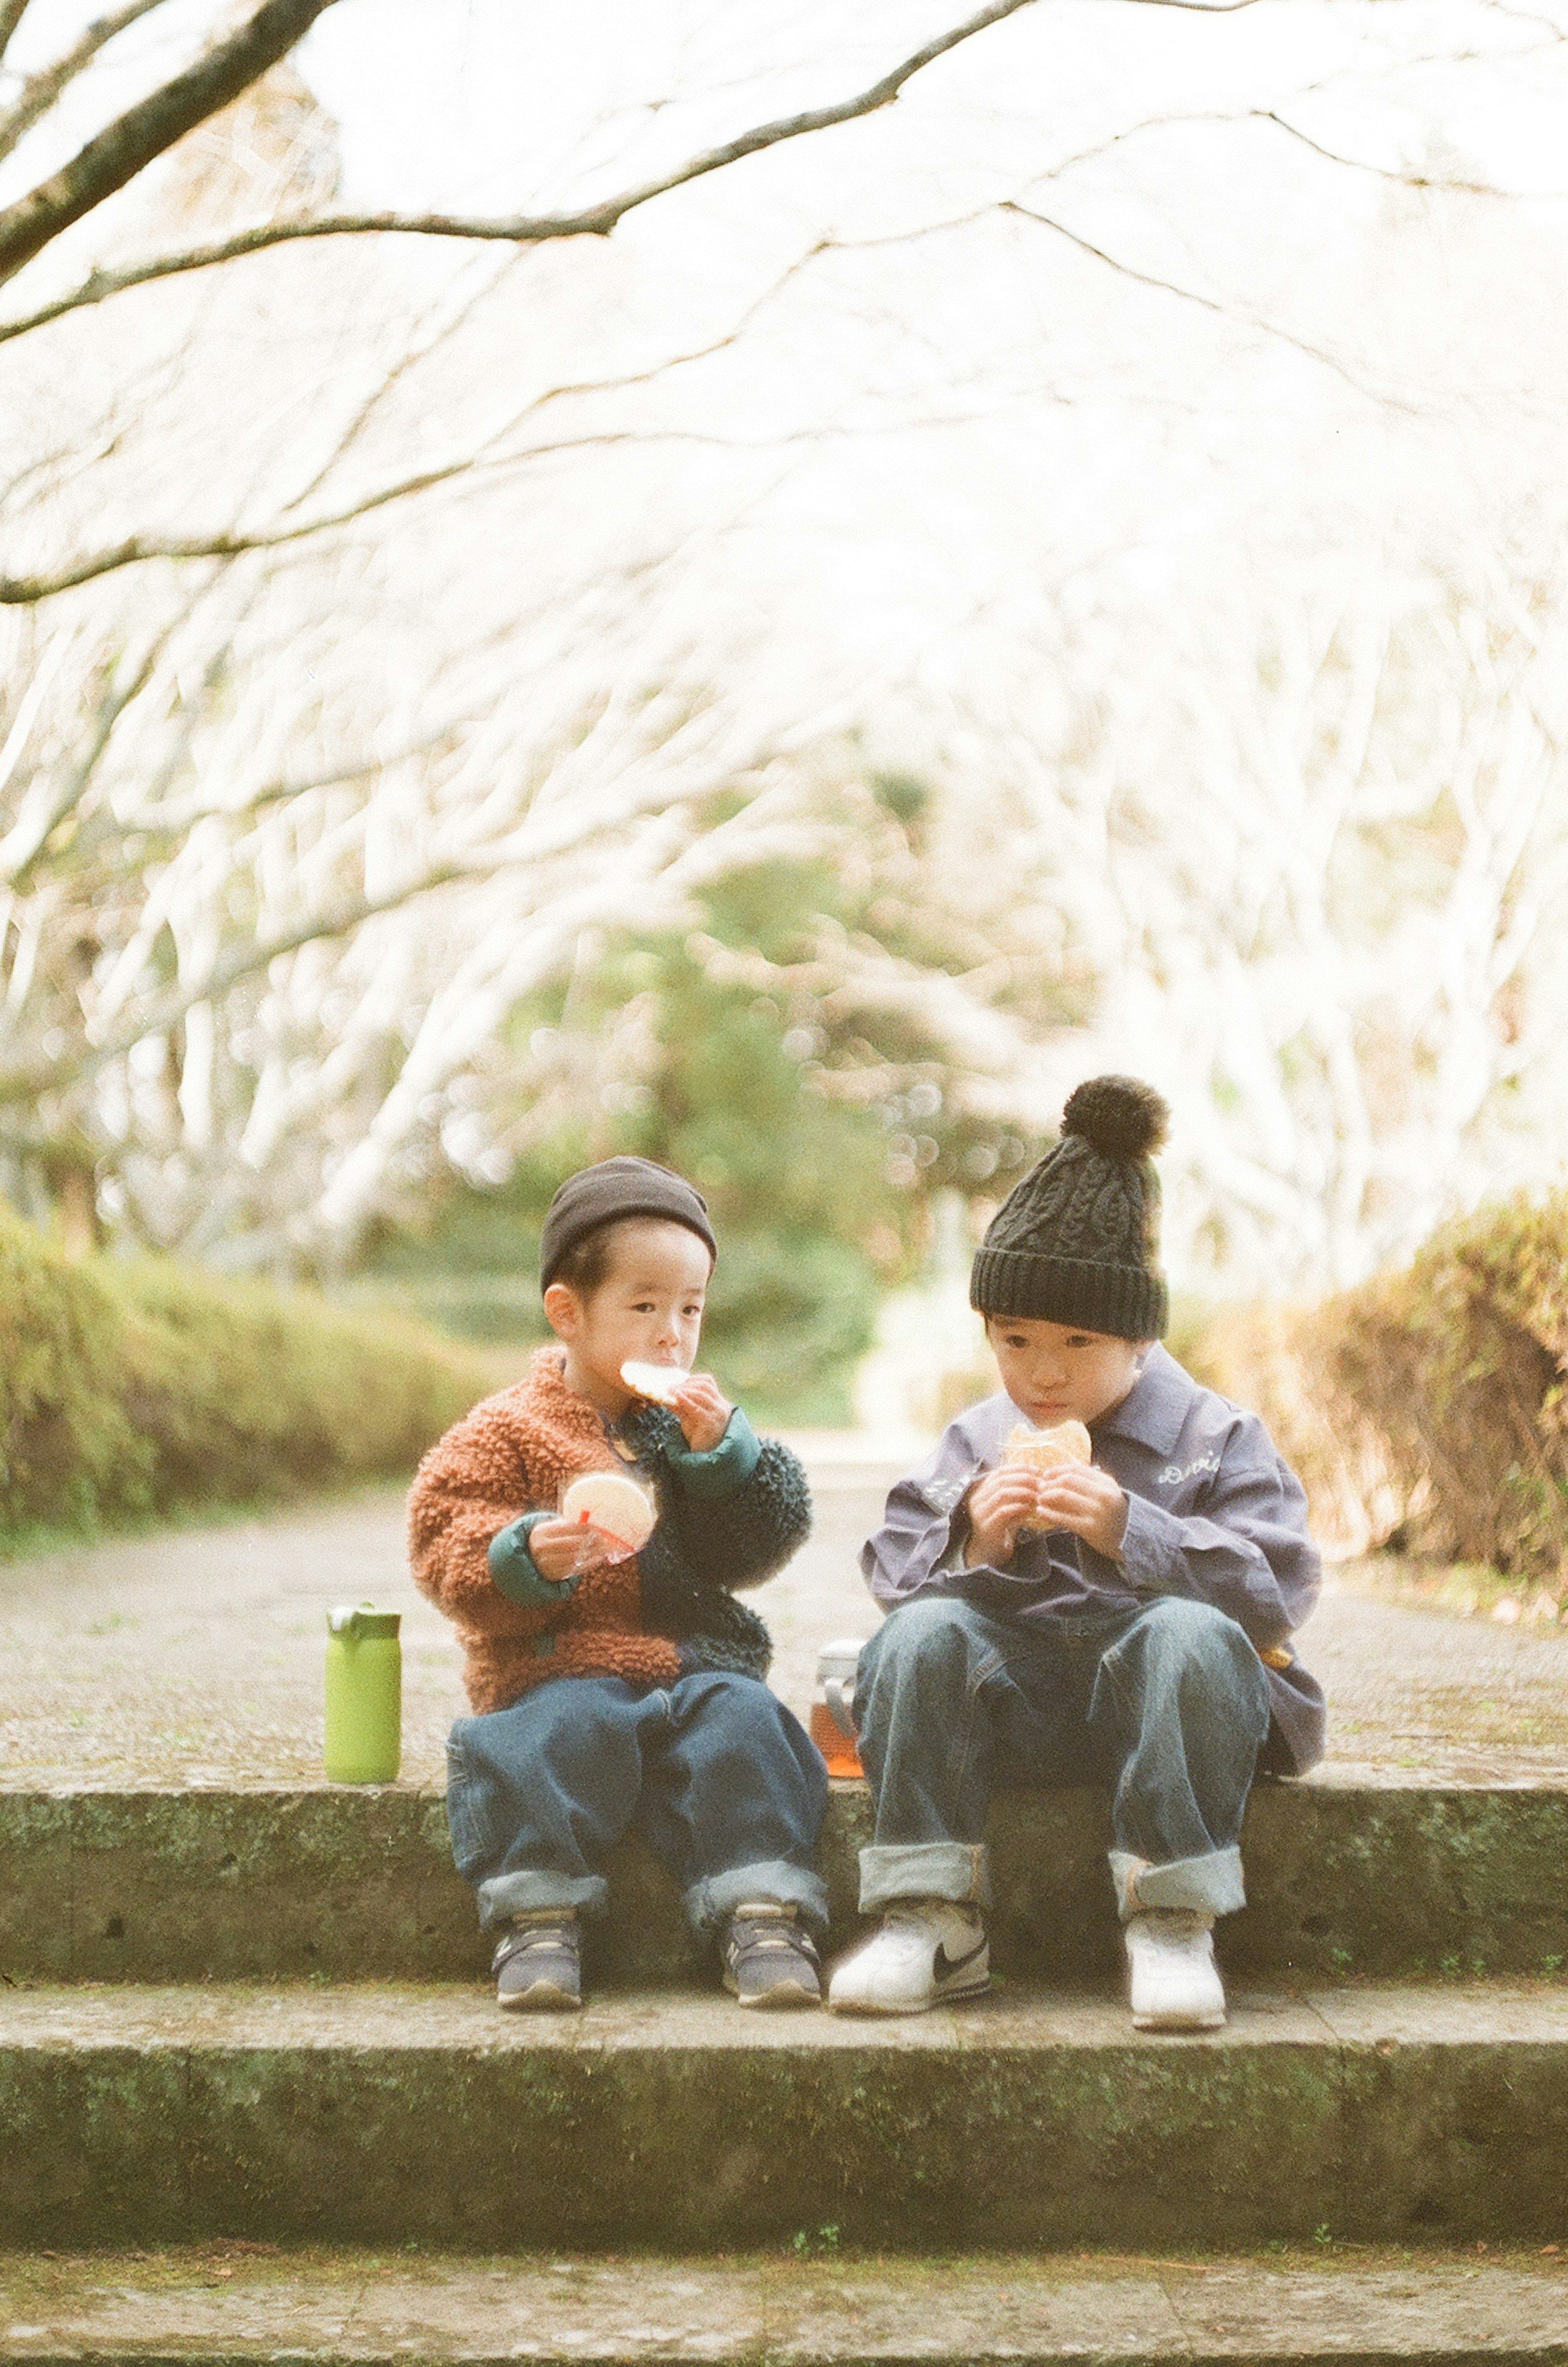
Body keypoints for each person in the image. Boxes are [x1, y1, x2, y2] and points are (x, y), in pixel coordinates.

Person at [826, 1075, 1324, 2030]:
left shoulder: (1214, 1434)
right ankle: (931, 1915)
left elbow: (1276, 1595)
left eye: (1076, 1341)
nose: (1042, 1372)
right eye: (1014, 1340)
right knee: (923, 1634)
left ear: (1140, 1337)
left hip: (1170, 1708)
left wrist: (1129, 1526)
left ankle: (1172, 1918)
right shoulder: (979, 1436)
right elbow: (892, 1580)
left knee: (1187, 1632)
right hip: (1012, 1700)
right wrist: (976, 1532)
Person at [408, 1156, 826, 2013]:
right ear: (568, 1311)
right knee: (536, 1742)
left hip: (685, 1657)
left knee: (749, 1725)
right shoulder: (508, 1427)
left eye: (691, 1308)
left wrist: (727, 1461)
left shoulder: (689, 1429)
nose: (671, 1333)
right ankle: (537, 1914)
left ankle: (762, 1906)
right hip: (556, 1661)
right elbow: (443, 1532)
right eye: (644, 1306)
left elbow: (762, 1538)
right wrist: (520, 1553)